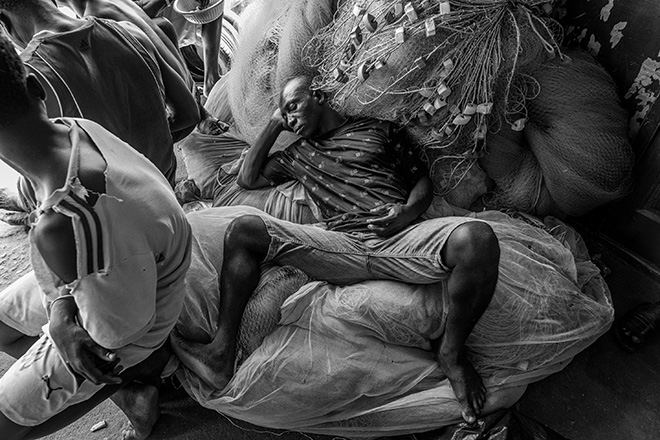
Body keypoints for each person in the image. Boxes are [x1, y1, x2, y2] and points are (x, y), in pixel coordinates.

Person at [171, 76, 501, 424]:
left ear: (320, 96)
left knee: (477, 240)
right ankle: (221, 354)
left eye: (293, 106)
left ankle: (451, 353)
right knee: (244, 230)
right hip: (338, 246)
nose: (290, 118)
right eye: (285, 114)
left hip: (398, 238)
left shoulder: (379, 130)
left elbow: (421, 181)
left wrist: (405, 213)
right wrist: (273, 123)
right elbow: (247, 179)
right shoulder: (296, 155)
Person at [0, 31, 192, 440]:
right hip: (134, 269)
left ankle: (134, 379)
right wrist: (59, 307)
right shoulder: (73, 128)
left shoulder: (66, 222)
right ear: (37, 88)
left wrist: (60, 319)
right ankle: (128, 396)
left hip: (144, 319)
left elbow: (117, 334)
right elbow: (54, 238)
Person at [0, 0, 200, 188]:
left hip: (117, 213)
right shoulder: (129, 32)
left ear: (4, 22)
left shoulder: (29, 75)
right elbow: (190, 115)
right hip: (164, 190)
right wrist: (147, 147)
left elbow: (50, 174)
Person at [56, 0, 230, 136]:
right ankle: (200, 108)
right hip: (185, 86)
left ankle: (198, 100)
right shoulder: (113, 4)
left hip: (184, 112)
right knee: (162, 25)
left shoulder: (95, 18)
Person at [135, 0, 223, 97]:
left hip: (165, 15)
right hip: (143, 32)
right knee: (164, 25)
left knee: (212, 5)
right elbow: (140, 13)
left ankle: (211, 78)